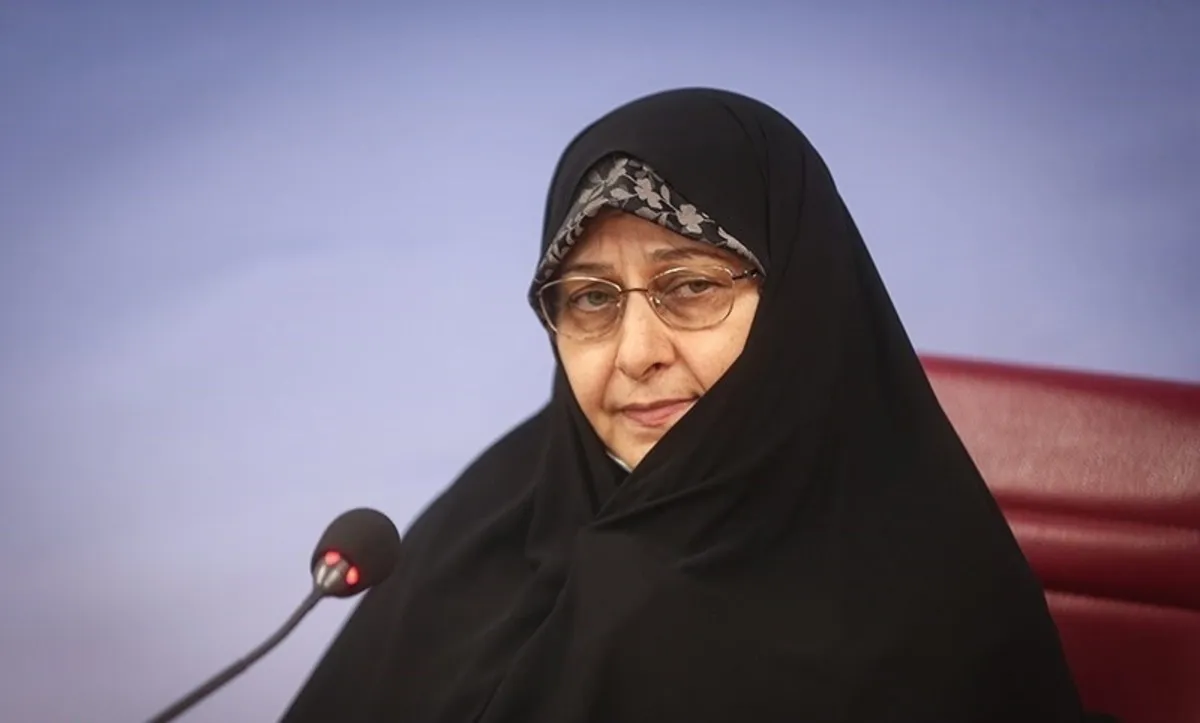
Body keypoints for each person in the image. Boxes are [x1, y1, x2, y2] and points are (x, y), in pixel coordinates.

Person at [281, 88, 1088, 722]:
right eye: (591, 298)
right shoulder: (484, 526)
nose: (638, 353)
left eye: (692, 285)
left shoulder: (931, 606)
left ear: (803, 303)